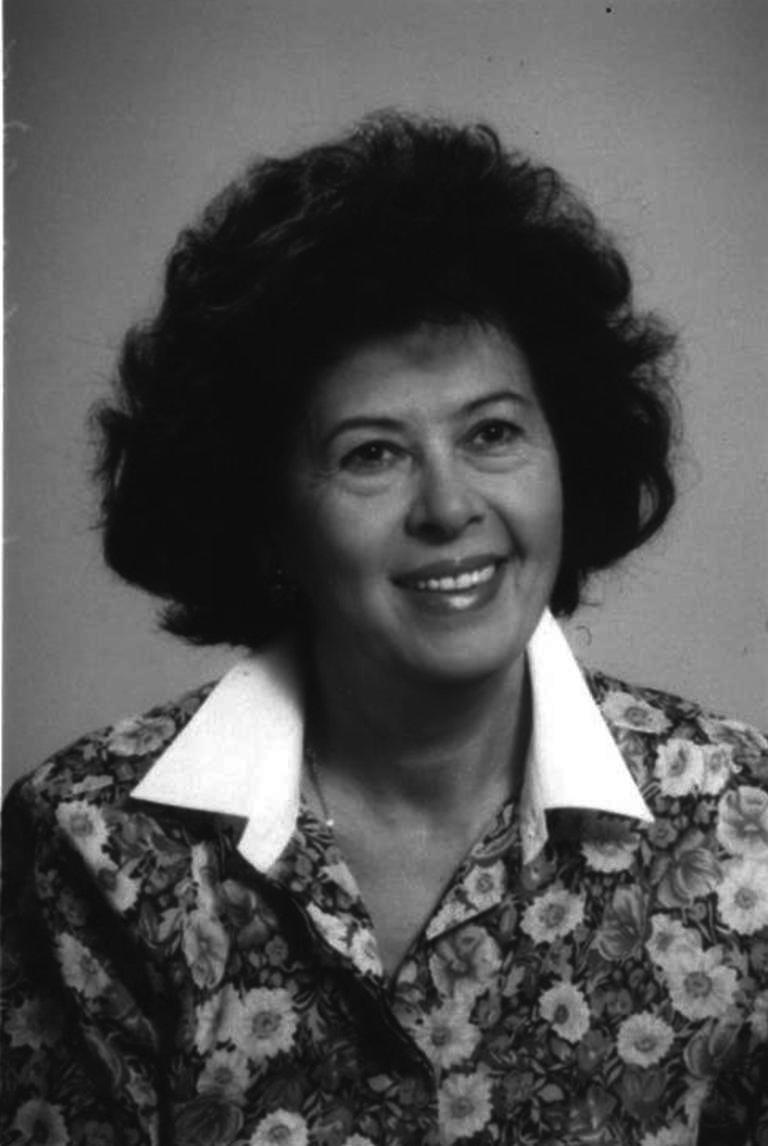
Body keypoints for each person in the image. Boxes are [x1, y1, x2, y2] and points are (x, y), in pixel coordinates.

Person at [1, 112, 766, 1146]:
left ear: (568, 455)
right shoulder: (91, 848)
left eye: (492, 432)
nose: (448, 507)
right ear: (269, 520)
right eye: (372, 453)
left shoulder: (740, 826)